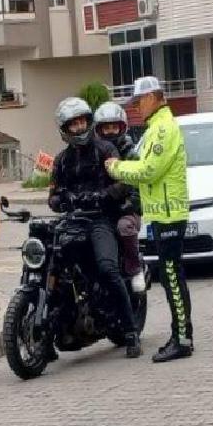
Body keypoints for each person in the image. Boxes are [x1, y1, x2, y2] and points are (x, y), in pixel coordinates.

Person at [105, 76, 194, 364]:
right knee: (170, 277)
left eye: (139, 101)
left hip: (169, 213)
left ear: (154, 97)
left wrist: (116, 168)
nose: (136, 107)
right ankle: (179, 334)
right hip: (162, 212)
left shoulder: (164, 128)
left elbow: (149, 169)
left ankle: (182, 338)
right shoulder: (157, 126)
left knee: (172, 277)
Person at [49, 97, 142, 359]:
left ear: (89, 122)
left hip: (100, 219)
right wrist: (61, 200)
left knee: (107, 269)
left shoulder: (106, 151)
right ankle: (48, 339)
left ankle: (131, 331)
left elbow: (123, 182)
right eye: (73, 124)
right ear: (65, 129)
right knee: (58, 267)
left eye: (82, 122)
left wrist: (102, 196)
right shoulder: (61, 160)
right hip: (72, 221)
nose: (78, 128)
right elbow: (53, 195)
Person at [93, 101, 146, 293]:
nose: (110, 132)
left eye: (114, 127)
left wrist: (130, 205)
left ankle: (134, 269)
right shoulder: (94, 153)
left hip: (125, 209)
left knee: (124, 226)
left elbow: (138, 184)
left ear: (122, 127)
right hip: (100, 208)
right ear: (99, 130)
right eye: (105, 128)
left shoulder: (130, 154)